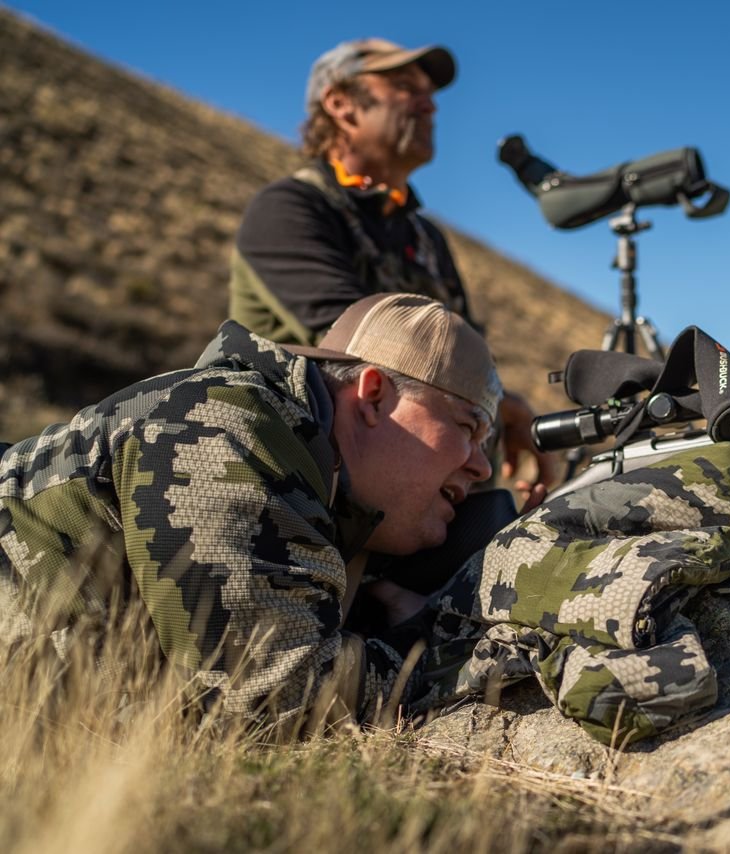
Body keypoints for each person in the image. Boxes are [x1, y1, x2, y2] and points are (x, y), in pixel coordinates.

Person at [0, 294, 524, 735]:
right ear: (373, 396)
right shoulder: (226, 426)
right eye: (468, 427)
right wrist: (460, 639)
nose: (481, 466)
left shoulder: (320, 484)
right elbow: (277, 698)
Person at [227, 37, 554, 497]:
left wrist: (496, 425)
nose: (429, 107)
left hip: (407, 490)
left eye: (431, 95)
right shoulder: (289, 208)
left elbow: (464, 357)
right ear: (341, 104)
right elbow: (369, 350)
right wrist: (501, 410)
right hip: (301, 487)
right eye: (404, 87)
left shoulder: (425, 237)